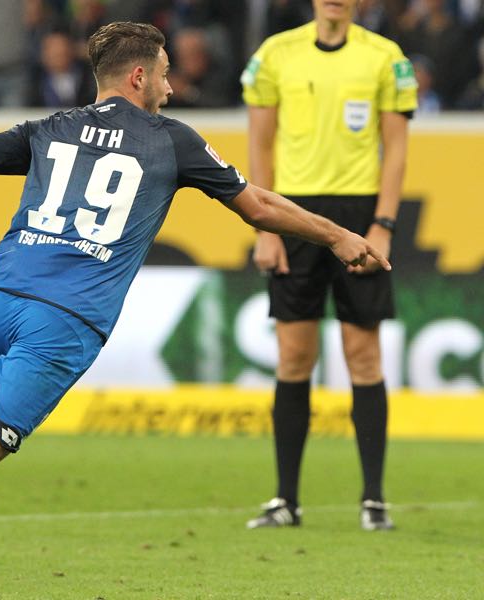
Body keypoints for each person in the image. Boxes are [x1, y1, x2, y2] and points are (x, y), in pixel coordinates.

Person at [0, 21, 390, 595]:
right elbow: (256, 204)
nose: (171, 86)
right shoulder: (172, 140)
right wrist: (338, 236)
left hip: (2, 294)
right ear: (137, 78)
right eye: (164, 74)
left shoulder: (50, 127)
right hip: (68, 318)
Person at [241, 0, 416, 530]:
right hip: (294, 216)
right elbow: (260, 143)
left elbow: (397, 148)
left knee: (363, 353)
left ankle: (373, 499)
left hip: (360, 213)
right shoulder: (276, 54)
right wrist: (264, 228)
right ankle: (285, 501)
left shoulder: (386, 58)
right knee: (294, 356)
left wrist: (383, 223)